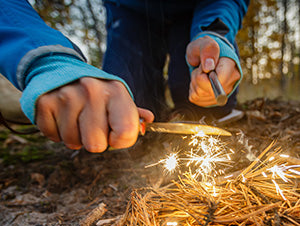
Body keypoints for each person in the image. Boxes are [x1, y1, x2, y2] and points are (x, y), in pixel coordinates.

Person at [0, 0, 249, 153]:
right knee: (121, 107)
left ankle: (199, 117)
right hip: (129, 11)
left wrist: (216, 33)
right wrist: (48, 59)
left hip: (198, 10)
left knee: (202, 98)